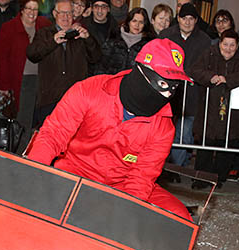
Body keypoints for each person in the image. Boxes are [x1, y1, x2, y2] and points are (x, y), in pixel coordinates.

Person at [26, 38, 193, 221]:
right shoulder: (89, 91)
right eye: (162, 84)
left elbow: (141, 178)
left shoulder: (163, 127)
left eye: (174, 87)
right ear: (142, 71)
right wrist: (35, 173)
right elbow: (53, 135)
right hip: (73, 173)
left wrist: (121, 214)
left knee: (178, 219)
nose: (168, 94)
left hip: (120, 184)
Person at [188, 29, 239, 188]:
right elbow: (195, 70)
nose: (228, 48)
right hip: (209, 106)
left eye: (232, 45)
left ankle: (218, 177)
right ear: (219, 44)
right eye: (225, 44)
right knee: (206, 142)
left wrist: (228, 80)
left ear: (237, 46)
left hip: (232, 109)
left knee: (226, 144)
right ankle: (201, 177)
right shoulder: (209, 53)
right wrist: (210, 77)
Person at [26, 0, 100, 126]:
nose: (66, 17)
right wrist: (53, 42)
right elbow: (32, 55)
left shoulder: (80, 34)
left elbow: (96, 57)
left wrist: (88, 39)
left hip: (75, 100)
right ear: (55, 14)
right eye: (62, 13)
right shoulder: (45, 33)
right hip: (49, 98)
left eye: (69, 13)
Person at [0, 0, 52, 144]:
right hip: (19, 81)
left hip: (41, 80)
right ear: (22, 9)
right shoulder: (9, 28)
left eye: (35, 9)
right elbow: (1, 59)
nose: (32, 13)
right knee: (21, 120)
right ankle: (17, 152)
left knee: (37, 120)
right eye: (28, 9)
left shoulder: (44, 25)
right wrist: (4, 86)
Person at [159, 2, 211, 167]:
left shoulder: (204, 40)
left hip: (191, 95)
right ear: (178, 19)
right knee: (162, 131)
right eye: (184, 18)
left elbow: (205, 65)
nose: (187, 22)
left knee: (184, 133)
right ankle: (162, 164)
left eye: (191, 18)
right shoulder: (166, 35)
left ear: (196, 20)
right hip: (167, 91)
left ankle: (176, 168)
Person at [97, 7, 156, 76]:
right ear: (128, 22)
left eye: (141, 22)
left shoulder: (148, 46)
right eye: (134, 21)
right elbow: (101, 65)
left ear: (144, 25)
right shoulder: (114, 38)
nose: (137, 25)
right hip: (111, 82)